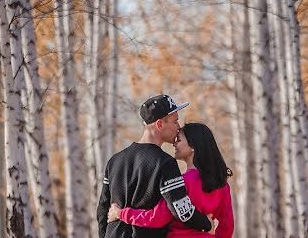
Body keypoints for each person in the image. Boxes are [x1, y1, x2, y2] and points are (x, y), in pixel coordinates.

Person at [97, 95, 215, 238]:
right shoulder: (165, 163)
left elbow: (103, 209)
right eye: (175, 121)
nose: (178, 127)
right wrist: (206, 224)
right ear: (159, 124)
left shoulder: (114, 161)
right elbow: (181, 210)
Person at [107, 122, 234, 238]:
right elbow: (227, 226)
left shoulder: (181, 182)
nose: (174, 143)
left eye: (178, 140)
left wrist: (121, 213)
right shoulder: (222, 184)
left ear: (193, 146)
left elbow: (157, 218)